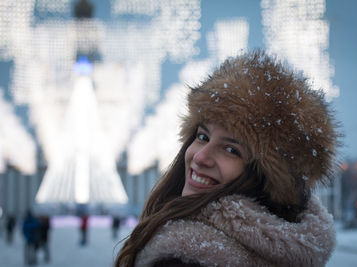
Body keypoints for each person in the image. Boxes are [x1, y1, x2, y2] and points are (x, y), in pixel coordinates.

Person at [115, 50, 339, 266]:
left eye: (231, 150)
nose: (201, 157)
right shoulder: (293, 254)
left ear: (268, 178)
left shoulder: (185, 257)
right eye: (203, 136)